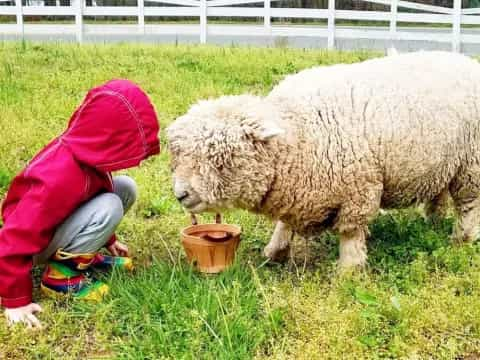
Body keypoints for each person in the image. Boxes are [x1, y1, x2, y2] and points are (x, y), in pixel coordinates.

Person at [0, 79, 160, 328]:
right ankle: (60, 277)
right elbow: (13, 237)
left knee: (124, 188)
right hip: (34, 245)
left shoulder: (89, 153)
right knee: (110, 205)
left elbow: (91, 195)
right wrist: (15, 300)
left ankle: (83, 255)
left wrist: (109, 240)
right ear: (108, 139)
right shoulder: (58, 177)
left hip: (56, 225)